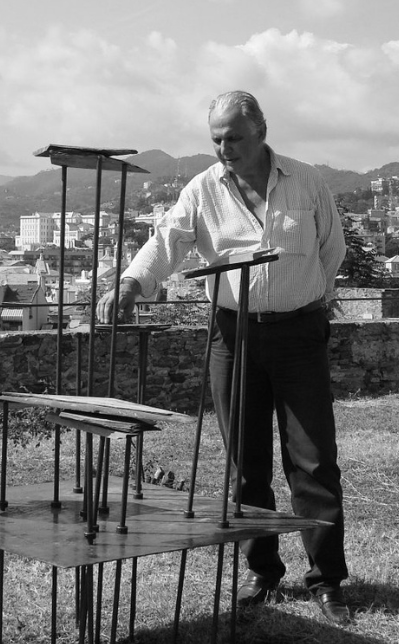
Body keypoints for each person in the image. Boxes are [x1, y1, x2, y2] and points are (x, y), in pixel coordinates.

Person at [97, 90, 350, 624]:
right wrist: (131, 283)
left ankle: (327, 579)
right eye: (216, 139)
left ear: (261, 131)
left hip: (299, 335)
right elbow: (166, 241)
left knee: (313, 461)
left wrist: (302, 298)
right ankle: (263, 570)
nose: (224, 148)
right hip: (233, 338)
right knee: (244, 462)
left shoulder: (305, 181)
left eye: (233, 137)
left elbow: (332, 249)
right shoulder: (202, 189)